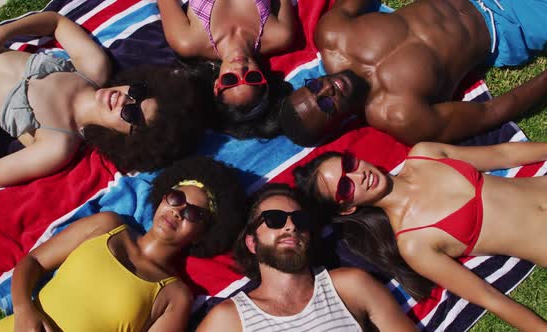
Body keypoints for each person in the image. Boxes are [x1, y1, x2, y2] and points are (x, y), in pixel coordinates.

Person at [293, 142, 547, 330]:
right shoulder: (413, 244)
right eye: (345, 187)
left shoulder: (425, 154)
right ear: (348, 208)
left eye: (349, 164)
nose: (359, 176)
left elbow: (502, 154)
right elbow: (490, 299)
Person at [0, 156, 247, 331]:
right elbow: (34, 261)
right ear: (163, 197)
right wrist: (24, 309)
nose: (178, 211)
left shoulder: (174, 296)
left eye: (194, 213)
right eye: (177, 198)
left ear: (202, 234)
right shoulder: (107, 225)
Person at [0, 13, 207, 189]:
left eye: (131, 114)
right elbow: (56, 22)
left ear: (128, 140)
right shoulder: (94, 68)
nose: (124, 100)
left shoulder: (57, 144)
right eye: (138, 92)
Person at [280, 0, 547, 146]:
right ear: (338, 123)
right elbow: (490, 113)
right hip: (506, 24)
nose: (327, 89)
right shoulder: (402, 116)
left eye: (313, 87)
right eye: (326, 104)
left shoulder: (334, 36)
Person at [198, 183, 416, 332]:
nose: (291, 226)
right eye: (275, 219)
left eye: (300, 220)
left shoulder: (350, 286)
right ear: (252, 242)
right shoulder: (229, 319)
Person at [157, 0, 295, 130]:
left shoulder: (187, 42)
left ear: (217, 85)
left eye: (231, 80)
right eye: (252, 78)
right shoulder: (281, 35)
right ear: (264, 80)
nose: (240, 69)